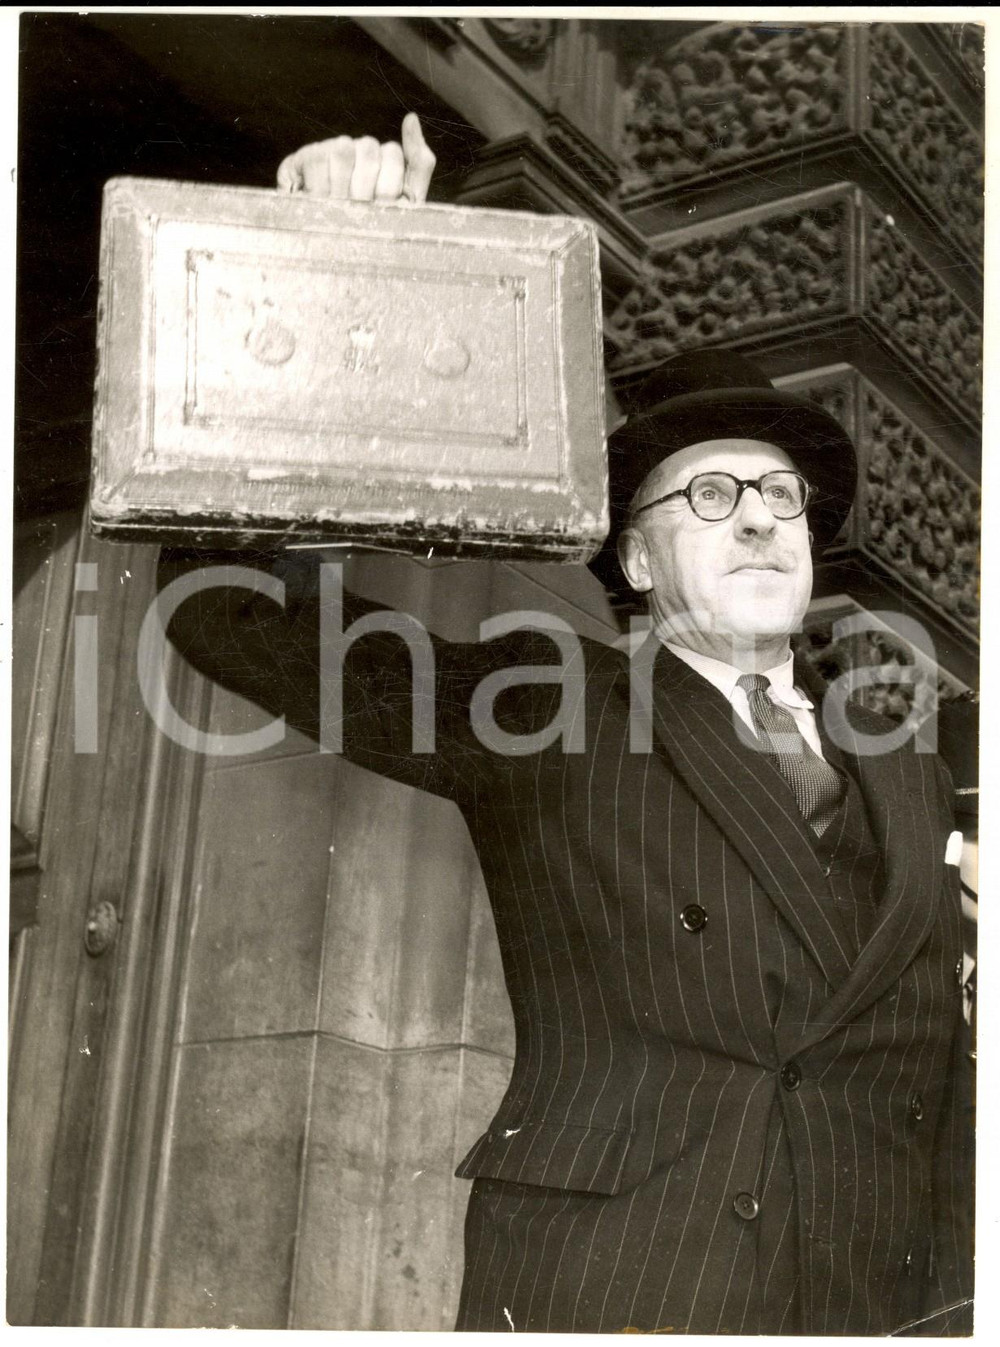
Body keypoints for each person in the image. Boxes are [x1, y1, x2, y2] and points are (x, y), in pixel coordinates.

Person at [159, 116, 973, 1335]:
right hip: (628, 1282)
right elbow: (223, 607)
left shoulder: (906, 758)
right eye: (711, 495)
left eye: (781, 498)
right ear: (636, 561)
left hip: (873, 1299)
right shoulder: (543, 704)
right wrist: (325, 259)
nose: (758, 521)